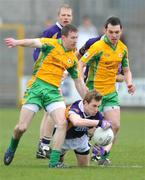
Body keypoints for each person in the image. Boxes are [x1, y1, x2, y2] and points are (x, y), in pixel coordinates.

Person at [3, 24, 87, 168]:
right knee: (21, 128)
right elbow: (34, 42)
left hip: (53, 92)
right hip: (36, 88)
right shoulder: (52, 44)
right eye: (73, 38)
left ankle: (54, 162)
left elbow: (78, 82)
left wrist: (88, 100)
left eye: (76, 38)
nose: (75, 41)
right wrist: (17, 42)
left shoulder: (72, 58)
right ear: (64, 37)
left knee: (62, 124)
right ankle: (12, 147)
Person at [79, 16, 136, 165]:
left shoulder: (123, 48)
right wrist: (80, 82)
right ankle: (72, 145)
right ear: (105, 30)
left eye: (117, 32)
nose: (114, 35)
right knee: (90, 129)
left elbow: (127, 70)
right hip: (94, 93)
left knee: (115, 125)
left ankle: (101, 155)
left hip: (110, 93)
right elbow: (81, 63)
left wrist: (129, 83)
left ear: (121, 31)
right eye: (111, 32)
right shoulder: (97, 47)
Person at [32, 4, 74, 159]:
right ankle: (44, 145)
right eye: (63, 15)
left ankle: (42, 147)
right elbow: (38, 51)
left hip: (57, 77)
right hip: (48, 77)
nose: (66, 18)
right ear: (59, 16)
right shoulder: (51, 32)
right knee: (53, 111)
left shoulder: (70, 33)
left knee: (48, 113)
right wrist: (43, 69)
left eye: (68, 15)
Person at [60, 90, 111, 167]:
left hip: (80, 139)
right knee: (58, 165)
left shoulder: (96, 113)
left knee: (84, 167)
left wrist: (103, 149)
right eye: (94, 106)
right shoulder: (75, 108)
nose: (96, 109)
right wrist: (99, 123)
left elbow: (108, 133)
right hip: (63, 138)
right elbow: (76, 122)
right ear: (85, 103)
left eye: (98, 106)